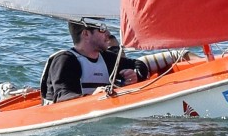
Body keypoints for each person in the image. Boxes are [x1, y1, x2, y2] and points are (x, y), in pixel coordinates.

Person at [38, 19, 167, 101]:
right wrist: (92, 97)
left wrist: (135, 75)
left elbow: (139, 64)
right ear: (86, 34)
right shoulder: (66, 60)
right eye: (102, 28)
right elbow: (62, 96)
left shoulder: (105, 57)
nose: (108, 34)